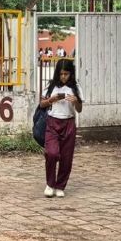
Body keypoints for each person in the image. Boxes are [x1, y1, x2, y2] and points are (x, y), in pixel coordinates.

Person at [39, 59, 83, 198]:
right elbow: (41, 104)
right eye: (61, 73)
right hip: (52, 123)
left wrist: (75, 101)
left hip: (69, 123)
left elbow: (80, 109)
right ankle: (50, 184)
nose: (63, 76)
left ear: (71, 74)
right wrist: (51, 100)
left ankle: (60, 186)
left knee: (66, 157)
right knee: (51, 153)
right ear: (57, 73)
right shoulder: (51, 86)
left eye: (66, 74)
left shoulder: (76, 88)